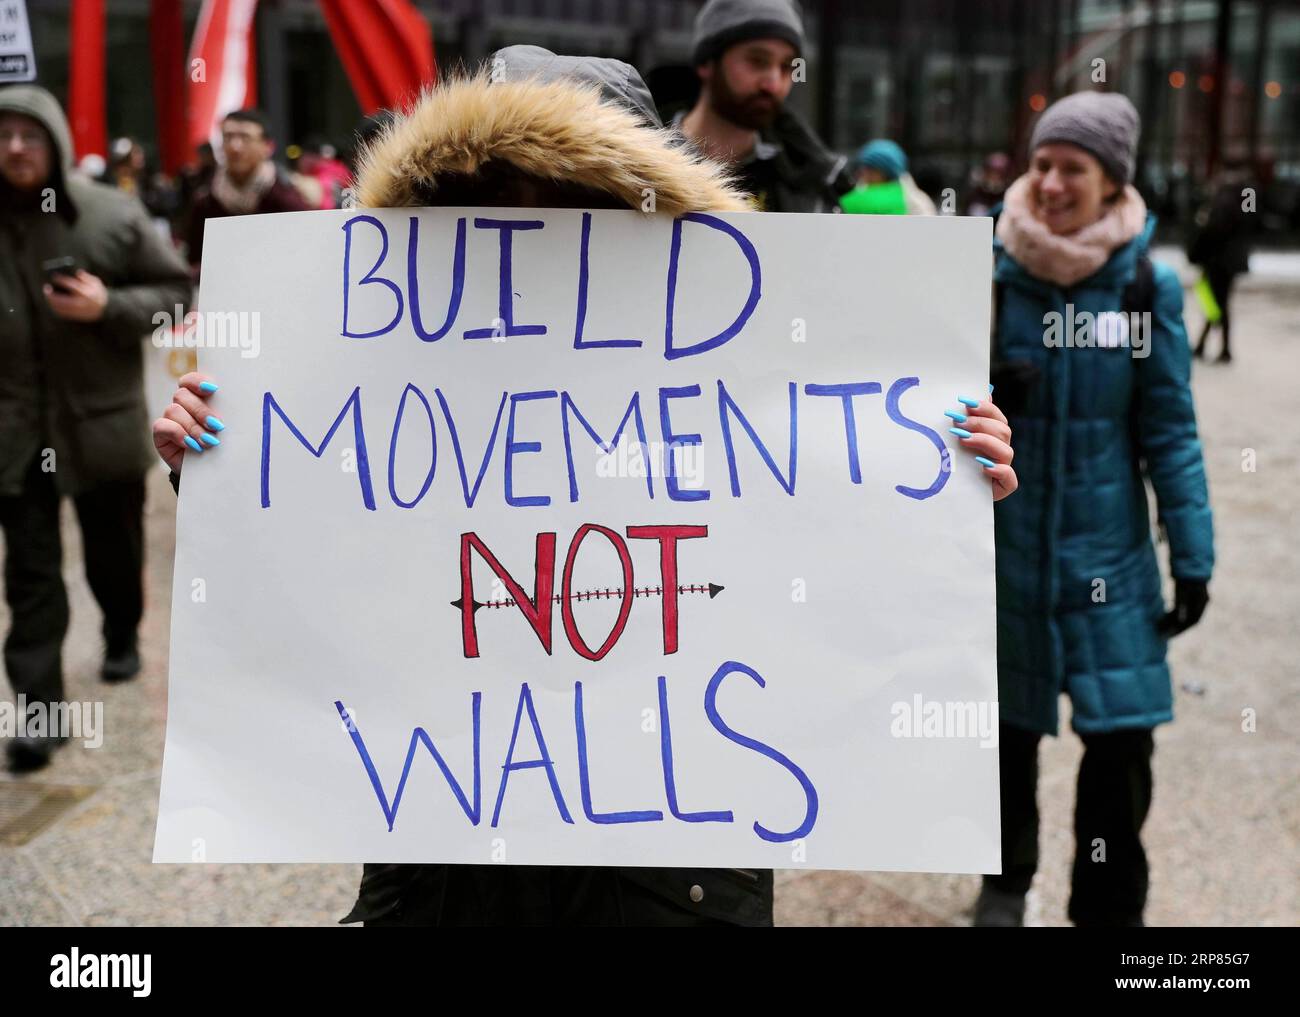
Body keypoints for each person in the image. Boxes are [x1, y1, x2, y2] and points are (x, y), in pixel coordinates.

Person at [151, 47, 1018, 925]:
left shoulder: (727, 367)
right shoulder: (388, 363)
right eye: (506, 191)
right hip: (448, 849)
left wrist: (941, 485)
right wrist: (223, 479)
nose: (539, 226)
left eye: (575, 200)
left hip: (676, 857)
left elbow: (826, 576)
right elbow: (321, 570)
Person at [981, 91, 1214, 927]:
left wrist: (1192, 555)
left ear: (1113, 182)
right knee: (1004, 737)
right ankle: (1005, 884)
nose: (1048, 183)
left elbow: (1171, 432)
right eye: (1040, 163)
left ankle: (1107, 911)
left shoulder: (1146, 286)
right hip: (1006, 554)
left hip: (1109, 556)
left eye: (1070, 168)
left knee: (1121, 747)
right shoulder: (989, 275)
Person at [0, 85, 192, 772]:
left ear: (53, 141)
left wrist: (109, 303)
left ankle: (120, 631)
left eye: (29, 134)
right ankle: (42, 713)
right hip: (15, 437)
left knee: (114, 552)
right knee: (31, 578)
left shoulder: (110, 213)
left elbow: (176, 292)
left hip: (100, 426)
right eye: (4, 134)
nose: (15, 147)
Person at [675, 0, 853, 212]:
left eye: (787, 66)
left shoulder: (810, 183)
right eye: (757, 61)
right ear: (707, 63)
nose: (774, 83)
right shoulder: (640, 163)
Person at [183, 108, 306, 278]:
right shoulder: (205, 200)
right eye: (228, 137)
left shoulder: (287, 198)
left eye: (245, 138)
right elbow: (195, 260)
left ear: (267, 147)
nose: (235, 147)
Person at [1188, 164, 1253, 363]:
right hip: (1228, 262)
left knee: (1215, 300)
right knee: (1217, 301)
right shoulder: (1242, 201)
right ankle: (1208, 344)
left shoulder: (1223, 202)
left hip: (1218, 262)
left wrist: (1197, 251)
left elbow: (1213, 232)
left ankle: (1217, 347)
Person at [839, 139, 934, 216]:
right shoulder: (858, 193)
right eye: (863, 168)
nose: (863, 173)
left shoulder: (915, 202)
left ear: (886, 173)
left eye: (870, 170)